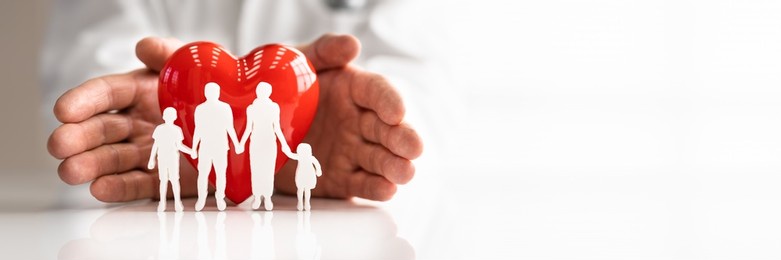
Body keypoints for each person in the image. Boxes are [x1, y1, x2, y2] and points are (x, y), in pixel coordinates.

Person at [45, 0, 436, 204]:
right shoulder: (203, 111)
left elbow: (424, 77)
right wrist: (175, 99)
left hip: (292, 158)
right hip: (168, 190)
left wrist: (362, 122)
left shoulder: (263, 109)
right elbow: (88, 51)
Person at [238, 81, 293, 211]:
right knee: (256, 169)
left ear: (269, 92)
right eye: (260, 90)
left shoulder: (274, 107)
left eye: (264, 90)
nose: (262, 92)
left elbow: (277, 128)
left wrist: (284, 144)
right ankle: (257, 197)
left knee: (268, 169)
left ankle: (267, 197)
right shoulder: (251, 108)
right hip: (255, 141)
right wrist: (241, 143)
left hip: (269, 141)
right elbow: (248, 128)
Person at [191, 82, 243, 211]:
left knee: (221, 173)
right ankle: (201, 198)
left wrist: (236, 144)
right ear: (205, 93)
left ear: (218, 93)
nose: (212, 93)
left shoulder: (225, 108)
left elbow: (230, 128)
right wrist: (193, 148)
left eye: (214, 91)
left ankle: (220, 198)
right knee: (203, 174)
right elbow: (198, 129)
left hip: (220, 146)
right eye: (209, 91)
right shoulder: (200, 109)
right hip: (205, 146)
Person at [147, 107, 194, 212]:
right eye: (167, 115)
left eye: (171, 115)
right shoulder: (159, 129)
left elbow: (179, 146)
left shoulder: (177, 130)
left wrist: (191, 152)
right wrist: (151, 159)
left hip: (173, 158)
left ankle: (178, 202)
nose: (169, 117)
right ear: (164, 116)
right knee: (163, 181)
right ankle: (162, 202)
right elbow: (156, 145)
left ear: (175, 117)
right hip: (162, 158)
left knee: (174, 180)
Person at [288, 143, 322, 211]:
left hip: (308, 175)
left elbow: (317, 165)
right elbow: (290, 155)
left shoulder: (311, 158)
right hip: (301, 175)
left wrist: (318, 171)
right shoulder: (299, 157)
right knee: (301, 189)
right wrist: (286, 150)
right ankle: (300, 203)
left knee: (307, 189)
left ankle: (307, 203)